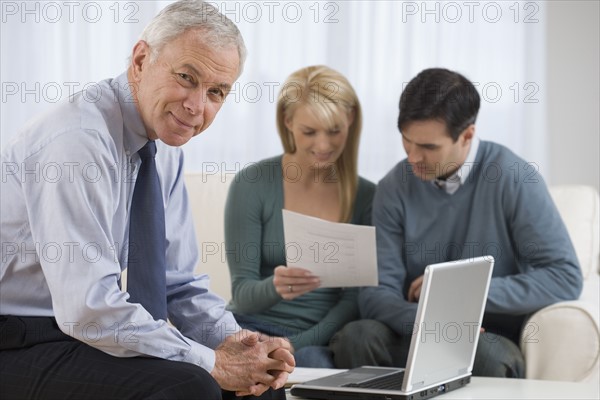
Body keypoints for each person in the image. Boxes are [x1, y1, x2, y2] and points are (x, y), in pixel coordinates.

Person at [0, 1, 293, 399]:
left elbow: (179, 283)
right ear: (140, 60)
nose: (196, 106)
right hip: (18, 336)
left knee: (259, 388)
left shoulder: (165, 144)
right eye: (187, 77)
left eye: (216, 92)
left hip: (78, 334)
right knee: (190, 387)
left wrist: (237, 344)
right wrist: (212, 363)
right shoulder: (79, 142)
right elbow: (89, 310)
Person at [330, 68, 583, 377]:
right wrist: (431, 323)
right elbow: (376, 293)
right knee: (356, 337)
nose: (413, 158)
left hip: (485, 336)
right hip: (412, 327)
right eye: (407, 142)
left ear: (467, 136)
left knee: (489, 357)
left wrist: (459, 291)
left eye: (428, 147)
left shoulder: (515, 178)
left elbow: (565, 277)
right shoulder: (394, 186)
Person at [224, 65, 376, 368]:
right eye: (309, 132)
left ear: (351, 119)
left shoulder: (367, 197)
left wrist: (294, 344)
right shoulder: (252, 184)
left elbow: (353, 301)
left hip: (316, 340)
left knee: (310, 365)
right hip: (249, 325)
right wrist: (275, 287)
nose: (323, 146)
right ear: (288, 121)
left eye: (334, 131)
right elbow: (241, 294)